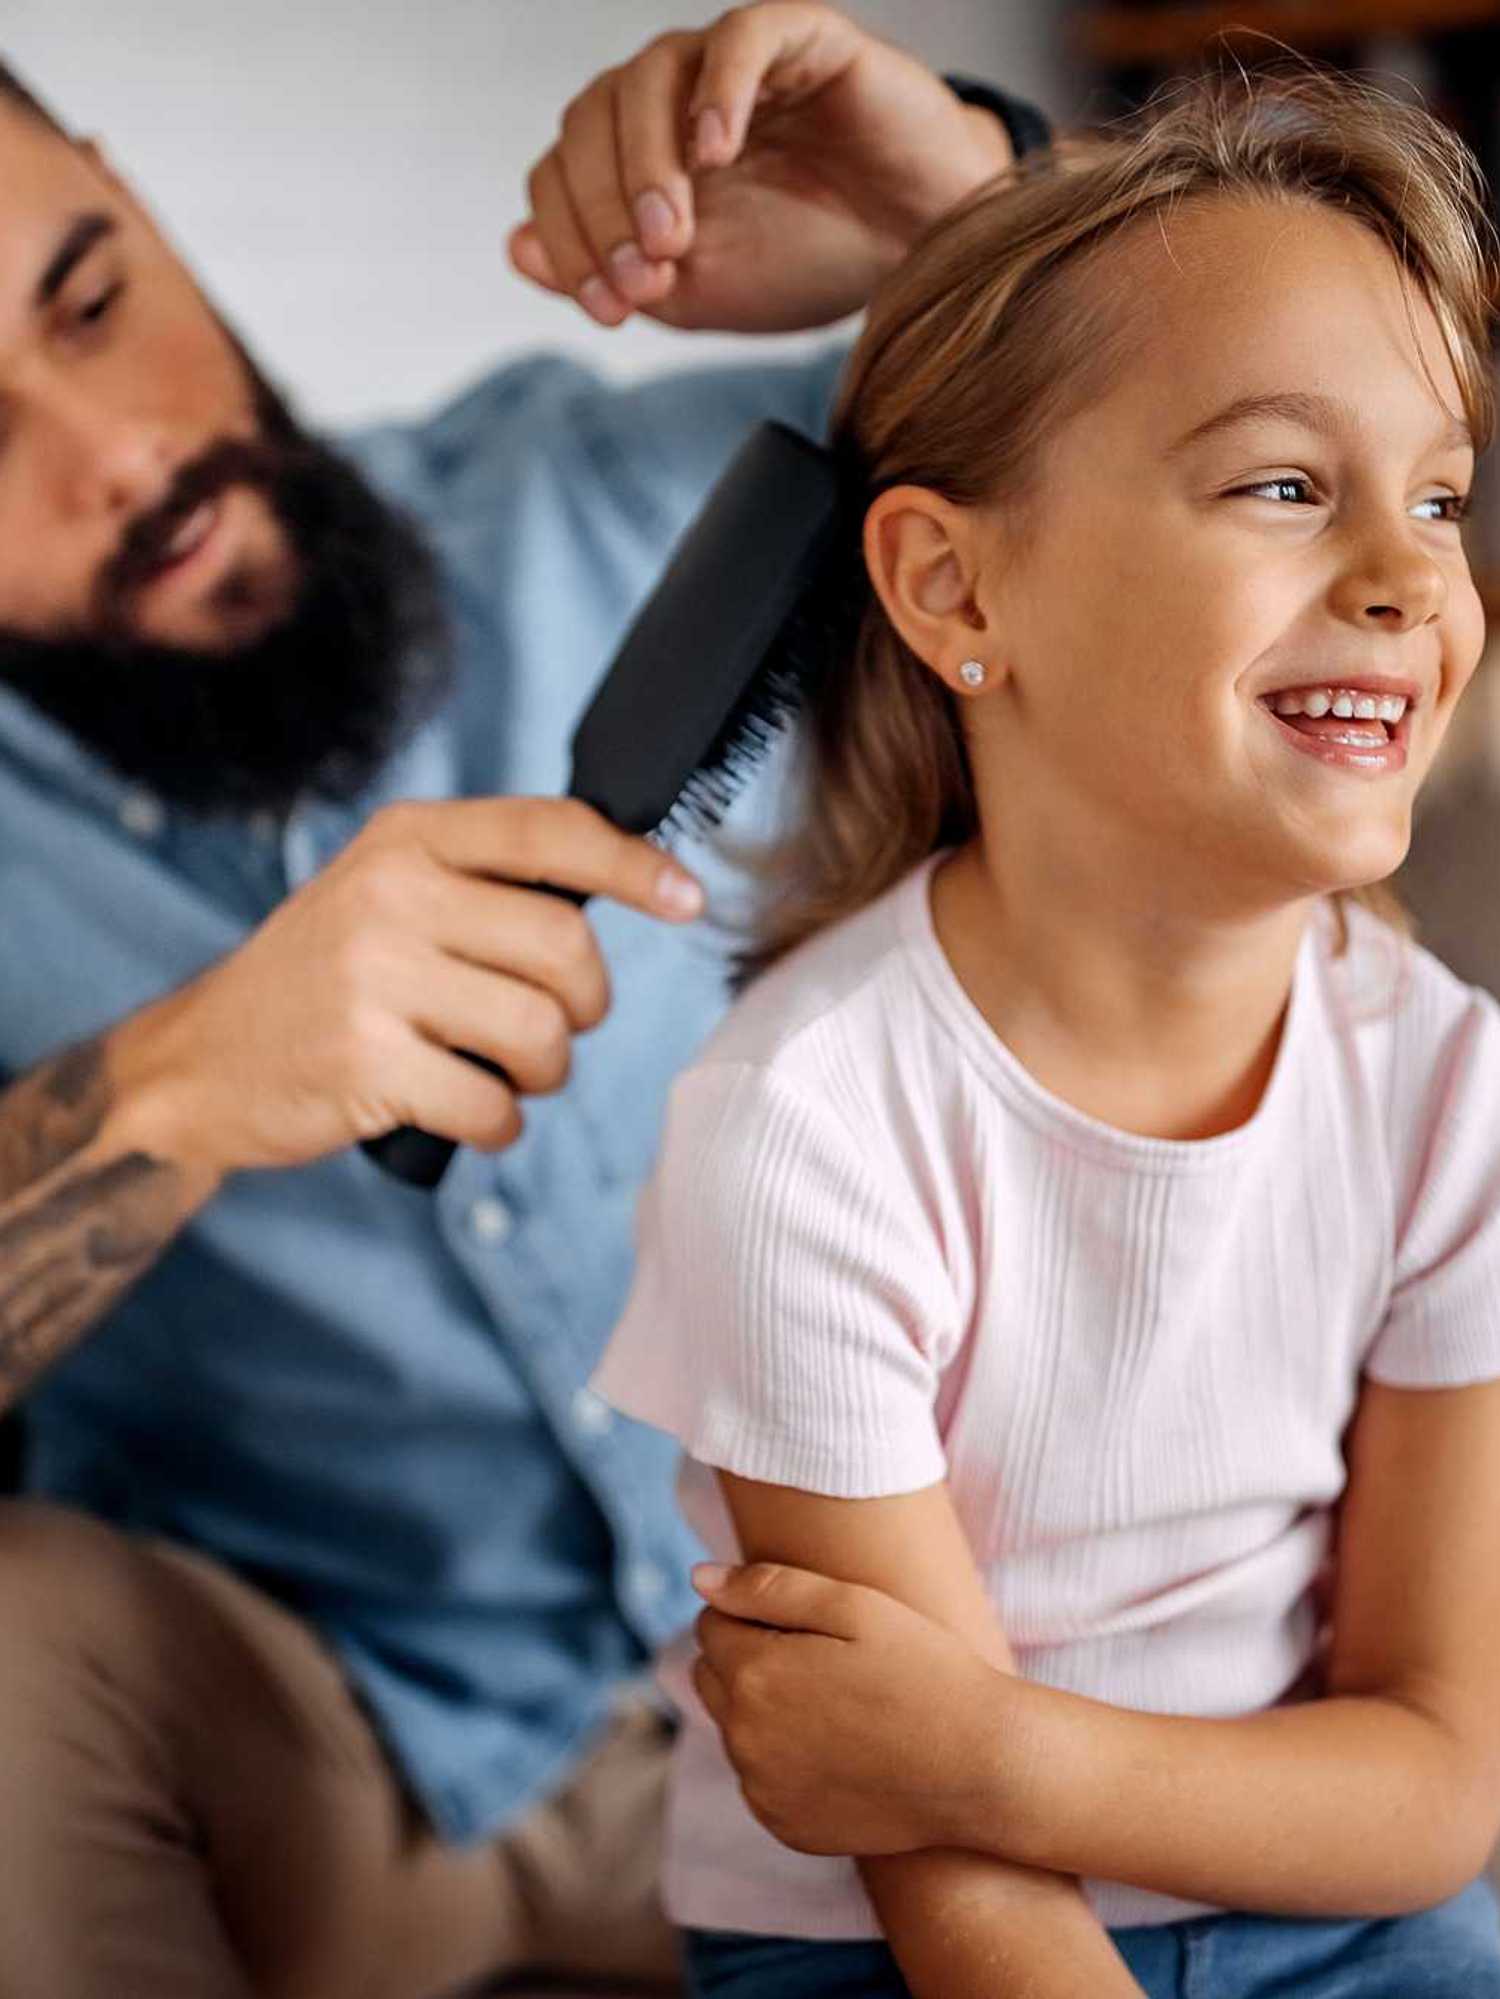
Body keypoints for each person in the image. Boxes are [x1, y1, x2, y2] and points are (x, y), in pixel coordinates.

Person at [0, 9, 1044, 1996]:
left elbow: (1272, 459)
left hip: (917, 1648)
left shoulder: (629, 493)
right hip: (373, 1756)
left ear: (136, 199)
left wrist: (980, 210)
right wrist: (175, 1090)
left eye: (90, 298)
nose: (118, 453)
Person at [592, 61, 1500, 1999]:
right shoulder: (807, 1124)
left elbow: (1437, 1786)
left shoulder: (1448, 1086)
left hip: (1338, 1898)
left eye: (1440, 494)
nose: (1411, 574)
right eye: (1284, 482)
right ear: (951, 583)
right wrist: (966, 1788)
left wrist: (998, 1750)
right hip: (897, 1937)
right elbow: (953, 1890)